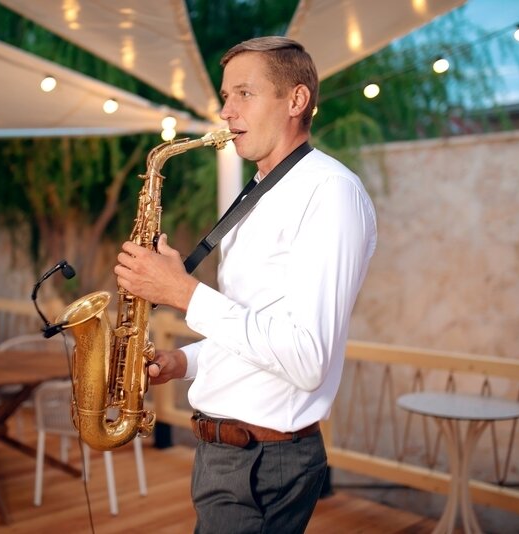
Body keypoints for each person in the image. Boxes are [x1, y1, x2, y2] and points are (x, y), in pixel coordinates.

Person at [114, 36, 377, 533]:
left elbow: (306, 358)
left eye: (244, 94)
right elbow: (261, 327)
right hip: (230, 456)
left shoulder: (330, 193)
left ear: (296, 100)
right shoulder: (259, 190)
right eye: (225, 96)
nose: (225, 111)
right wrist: (184, 362)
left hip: (262, 462)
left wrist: (182, 293)